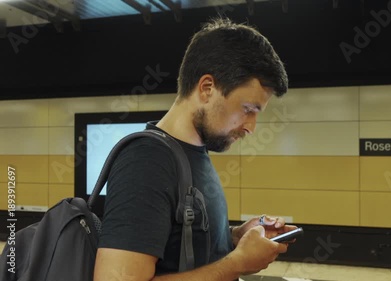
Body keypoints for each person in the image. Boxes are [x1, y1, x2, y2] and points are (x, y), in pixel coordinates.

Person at [93, 17, 296, 281]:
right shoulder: (146, 161)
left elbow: (181, 246)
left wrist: (236, 238)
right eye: (248, 110)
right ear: (207, 88)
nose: (251, 127)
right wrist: (236, 264)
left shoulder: (193, 153)